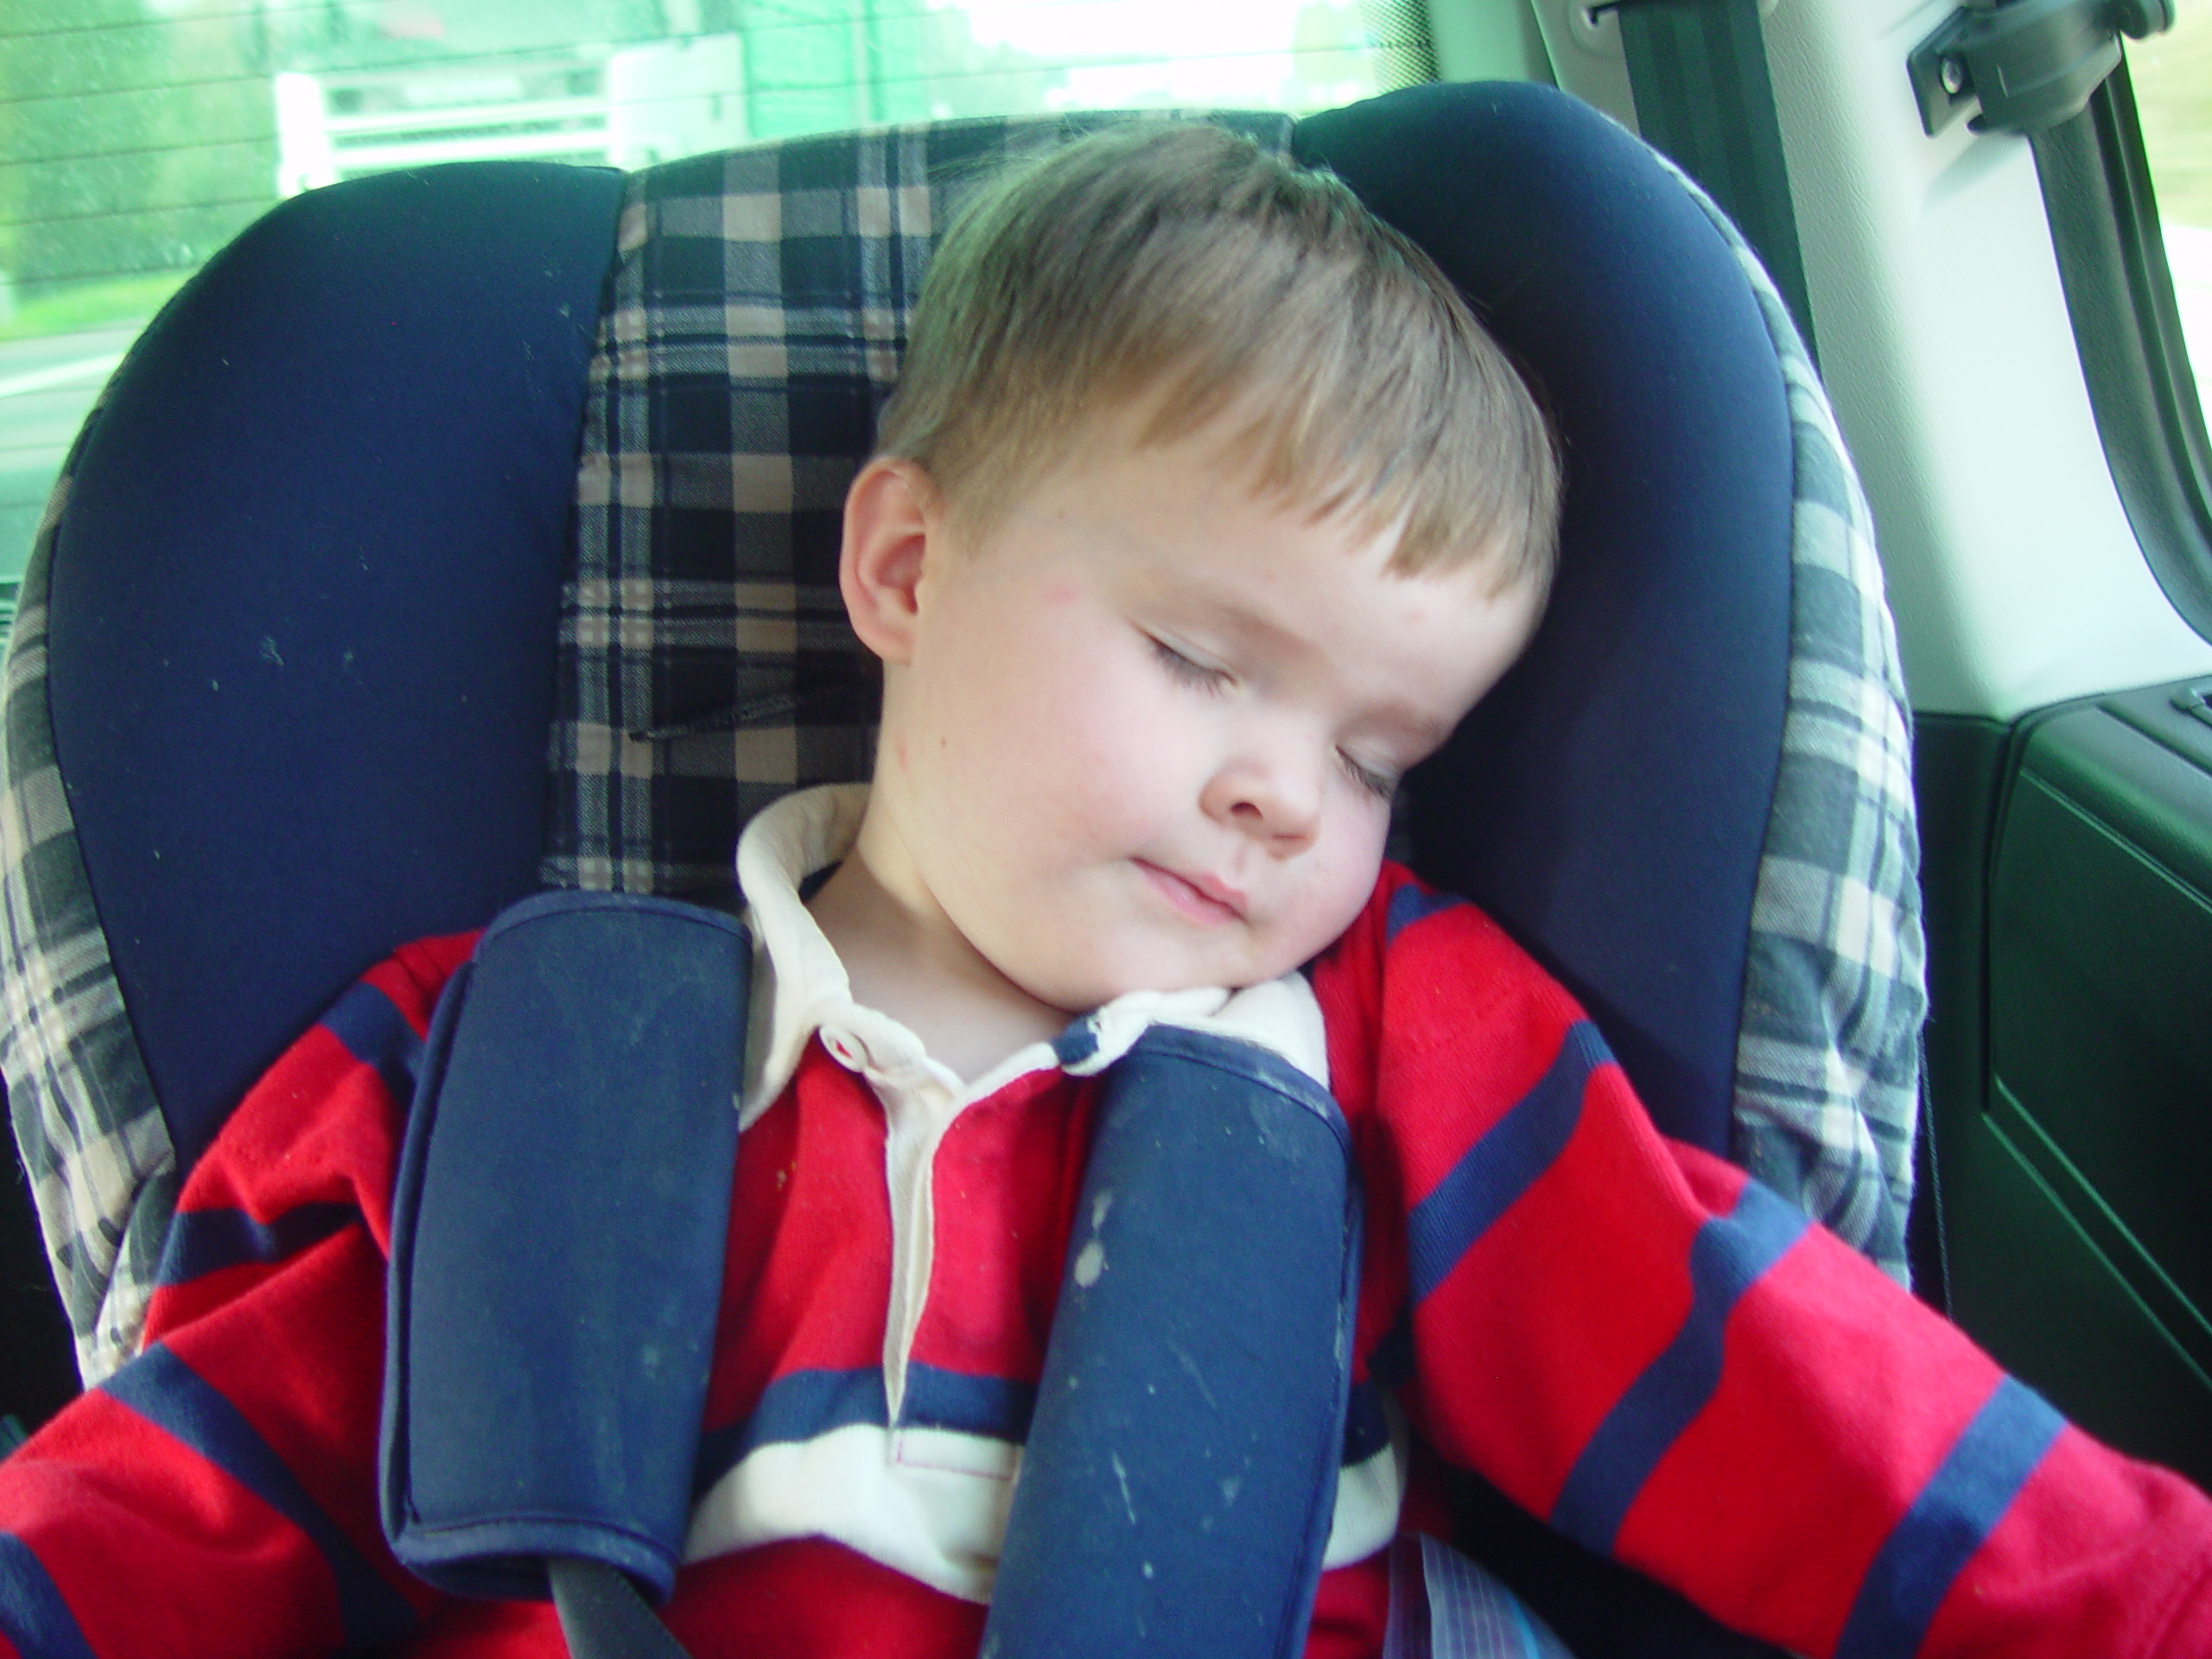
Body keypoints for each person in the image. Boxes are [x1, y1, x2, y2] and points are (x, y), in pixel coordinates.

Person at [1, 122, 2208, 1659]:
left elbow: (1783, 1396)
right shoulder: (483, 1059)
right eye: (1199, 660)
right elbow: (170, 1511)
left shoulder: (1380, 1049)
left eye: (1373, 758)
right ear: (904, 564)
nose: (1281, 801)